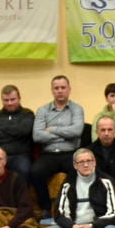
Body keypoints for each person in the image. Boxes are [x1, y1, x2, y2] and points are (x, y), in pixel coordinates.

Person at [40, 148, 115, 228]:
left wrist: (91, 226)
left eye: (89, 161)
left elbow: (114, 213)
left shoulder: (107, 181)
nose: (86, 165)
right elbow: (60, 213)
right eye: (81, 162)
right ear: (75, 165)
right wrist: (72, 226)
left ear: (94, 162)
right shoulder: (68, 183)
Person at [31, 75, 84, 206]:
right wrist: (65, 135)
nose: (60, 91)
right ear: (52, 90)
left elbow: (77, 131)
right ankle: (45, 209)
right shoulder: (42, 110)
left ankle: (73, 208)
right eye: (56, 88)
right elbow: (37, 136)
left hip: (70, 153)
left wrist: (52, 129)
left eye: (63, 87)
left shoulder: (77, 109)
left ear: (69, 89)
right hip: (49, 154)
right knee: (35, 172)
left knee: (80, 170)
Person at [0, 85, 35, 183]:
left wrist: (2, 130)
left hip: (20, 156)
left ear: (19, 98)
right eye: (6, 100)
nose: (9, 103)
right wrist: (15, 134)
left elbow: (24, 131)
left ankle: (21, 193)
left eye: (12, 99)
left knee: (24, 170)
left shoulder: (27, 114)